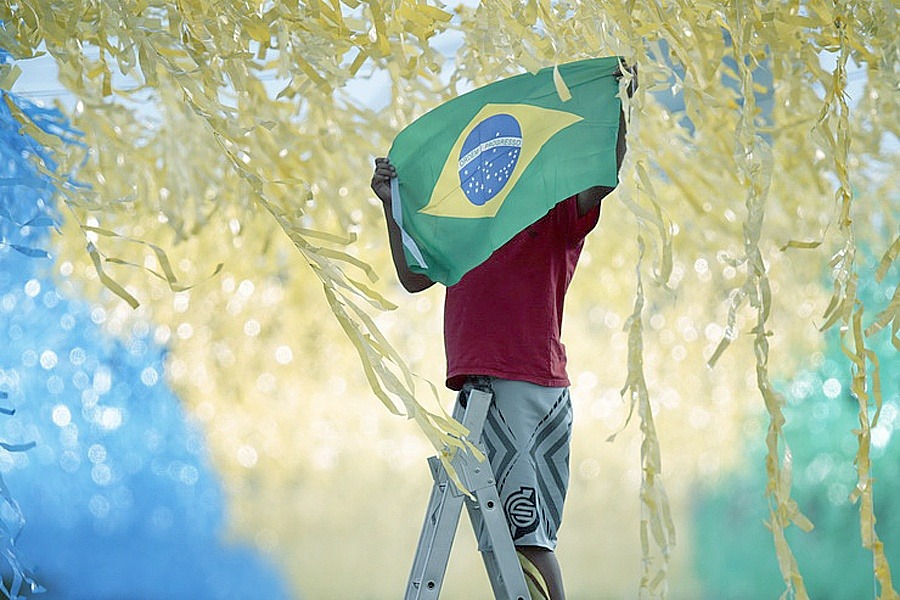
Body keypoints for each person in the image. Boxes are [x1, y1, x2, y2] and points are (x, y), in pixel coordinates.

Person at [370, 69, 632, 600]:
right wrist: (392, 206)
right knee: (524, 538)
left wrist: (616, 101)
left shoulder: (553, 212)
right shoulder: (464, 222)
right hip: (508, 383)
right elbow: (415, 276)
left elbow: (602, 170)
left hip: (516, 383)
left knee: (528, 540)